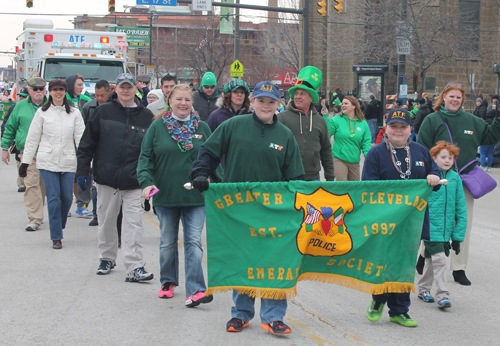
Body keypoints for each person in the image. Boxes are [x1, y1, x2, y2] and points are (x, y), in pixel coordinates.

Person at [189, 81, 305, 336]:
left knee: (275, 262)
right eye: (261, 100)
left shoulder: (285, 135)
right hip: (238, 210)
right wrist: (200, 173)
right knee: (244, 260)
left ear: (278, 104)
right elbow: (208, 151)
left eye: (271, 102)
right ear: (253, 102)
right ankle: (241, 314)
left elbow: (296, 178)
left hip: (273, 212)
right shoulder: (234, 126)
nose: (266, 106)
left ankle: (274, 317)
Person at [137, 84, 219, 306]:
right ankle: (168, 281)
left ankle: (196, 290)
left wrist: (221, 185)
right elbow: (145, 158)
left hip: (196, 198)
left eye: (187, 100)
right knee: (167, 242)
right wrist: (146, 183)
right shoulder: (157, 128)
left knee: (193, 241)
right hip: (166, 195)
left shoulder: (202, 127)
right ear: (170, 101)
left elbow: (213, 159)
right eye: (179, 99)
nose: (183, 104)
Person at [417, 82, 500, 286]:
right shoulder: (432, 120)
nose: (455, 100)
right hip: (438, 180)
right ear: (443, 97)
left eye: (459, 97)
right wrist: (429, 174)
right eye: (451, 96)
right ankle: (423, 256)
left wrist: (498, 118)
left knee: (464, 223)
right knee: (434, 221)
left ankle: (459, 268)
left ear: (463, 100)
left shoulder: (472, 120)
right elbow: (421, 148)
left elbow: (490, 136)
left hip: (464, 180)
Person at [363, 108, 440, 327]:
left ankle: (399, 310)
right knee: (386, 263)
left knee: (405, 265)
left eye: (403, 127)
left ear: (410, 130)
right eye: (393, 126)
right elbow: (367, 188)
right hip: (385, 221)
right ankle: (378, 300)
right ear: (385, 129)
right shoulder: (376, 153)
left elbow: (434, 175)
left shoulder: (421, 151)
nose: (398, 131)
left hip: (412, 222)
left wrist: (434, 176)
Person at [76, 73, 154, 282]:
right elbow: (87, 144)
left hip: (134, 180)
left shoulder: (146, 116)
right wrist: (82, 170)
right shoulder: (102, 113)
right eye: (122, 87)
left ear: (135, 90)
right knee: (107, 221)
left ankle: (135, 265)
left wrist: (151, 181)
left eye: (129, 87)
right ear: (116, 89)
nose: (126, 90)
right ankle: (107, 258)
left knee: (133, 224)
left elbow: (152, 152)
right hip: (106, 178)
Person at [19, 80, 85, 249]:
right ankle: (56, 236)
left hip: (68, 160)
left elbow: (81, 139)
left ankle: (59, 223)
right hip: (47, 161)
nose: (58, 93)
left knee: (67, 197)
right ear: (50, 92)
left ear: (65, 92)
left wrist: (86, 162)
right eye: (55, 90)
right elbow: (32, 138)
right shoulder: (42, 112)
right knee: (54, 198)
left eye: (61, 90)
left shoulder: (75, 113)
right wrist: (25, 163)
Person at [417, 141, 466, 309]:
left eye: (450, 158)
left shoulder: (455, 178)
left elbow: (461, 208)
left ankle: (423, 289)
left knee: (431, 261)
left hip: (445, 231)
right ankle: (443, 295)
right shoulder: (428, 177)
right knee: (440, 261)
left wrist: (457, 237)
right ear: (434, 158)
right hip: (430, 228)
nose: (447, 160)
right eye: (443, 157)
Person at [1, 78, 47, 231]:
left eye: (41, 88)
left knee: (43, 187)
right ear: (29, 90)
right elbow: (10, 128)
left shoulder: (53, 105)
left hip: (48, 153)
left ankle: (41, 211)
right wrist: (4, 149)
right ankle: (35, 219)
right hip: (27, 153)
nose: (38, 91)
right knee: (31, 185)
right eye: (35, 89)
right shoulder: (19, 107)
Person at [277, 66, 335, 182]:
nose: (297, 96)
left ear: (311, 97)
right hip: (287, 179)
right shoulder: (281, 118)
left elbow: (326, 151)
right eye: (296, 93)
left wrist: (330, 178)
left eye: (302, 93)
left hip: (313, 179)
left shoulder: (320, 121)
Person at [81, 80, 113, 226]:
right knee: (95, 185)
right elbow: (83, 130)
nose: (100, 98)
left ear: (109, 93)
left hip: (110, 150)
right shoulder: (88, 107)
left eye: (103, 95)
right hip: (95, 150)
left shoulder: (114, 107)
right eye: (97, 95)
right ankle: (96, 215)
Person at [327, 96, 371, 181]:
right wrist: (325, 117)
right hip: (339, 159)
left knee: (354, 189)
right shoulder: (337, 119)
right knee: (342, 187)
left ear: (354, 106)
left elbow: (366, 143)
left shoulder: (363, 123)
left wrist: (369, 158)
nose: (343, 105)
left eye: (346, 103)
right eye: (342, 103)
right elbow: (326, 134)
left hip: (354, 161)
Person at [1, 87, 29, 193]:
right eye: (20, 96)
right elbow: (7, 123)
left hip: (34, 142)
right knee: (19, 161)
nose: (21, 98)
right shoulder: (14, 107)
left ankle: (28, 183)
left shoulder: (39, 108)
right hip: (19, 141)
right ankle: (22, 183)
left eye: (24, 96)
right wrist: (4, 139)